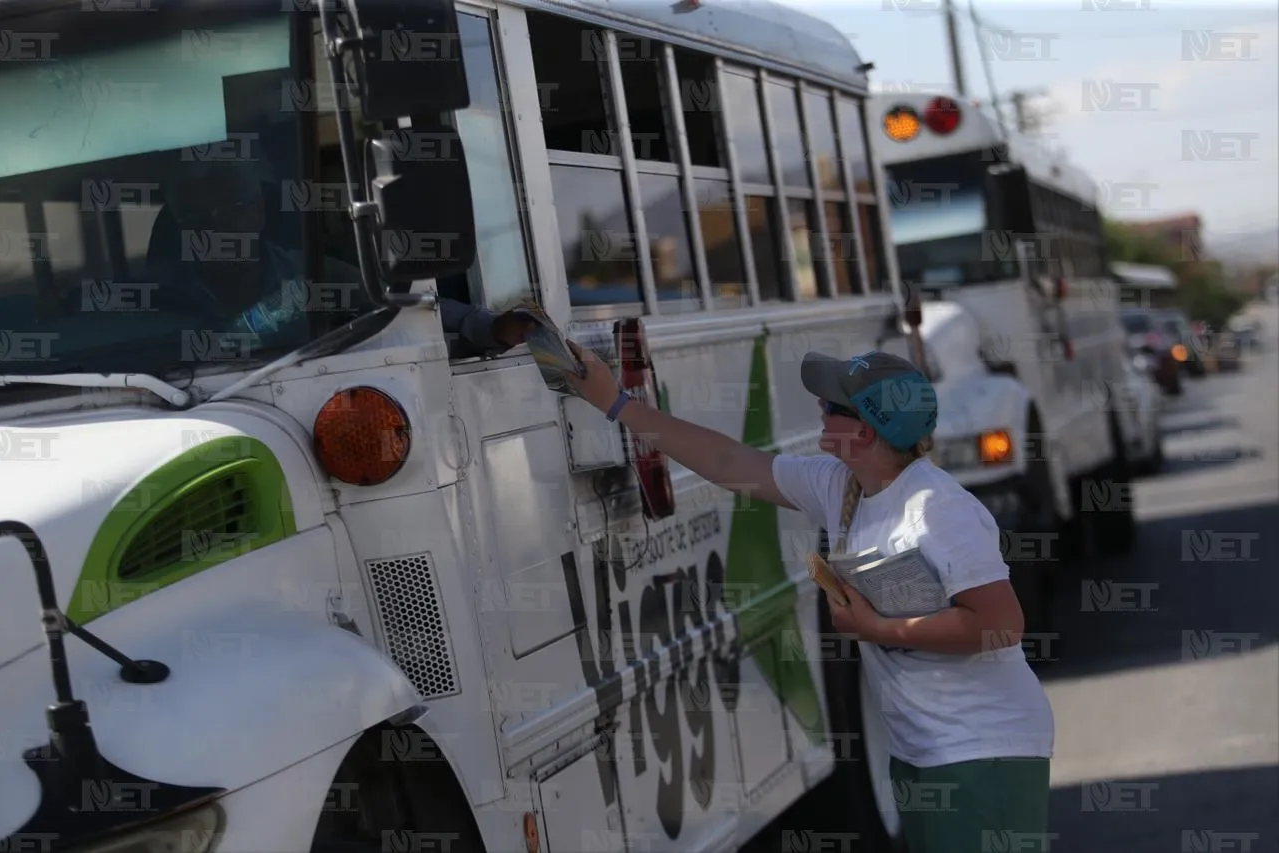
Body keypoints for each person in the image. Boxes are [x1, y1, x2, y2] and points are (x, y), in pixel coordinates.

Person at [563, 343, 1055, 853]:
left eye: (832, 406)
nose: (819, 408)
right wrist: (617, 404)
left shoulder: (937, 510)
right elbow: (728, 459)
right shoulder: (842, 484)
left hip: (983, 751)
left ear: (865, 431)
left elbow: (1001, 623)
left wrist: (878, 630)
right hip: (924, 750)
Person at [147, 159, 535, 361]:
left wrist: (492, 327)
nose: (218, 225)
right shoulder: (156, 298)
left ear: (258, 212)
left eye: (232, 206)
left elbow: (401, 305)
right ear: (178, 225)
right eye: (197, 214)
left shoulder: (314, 277)